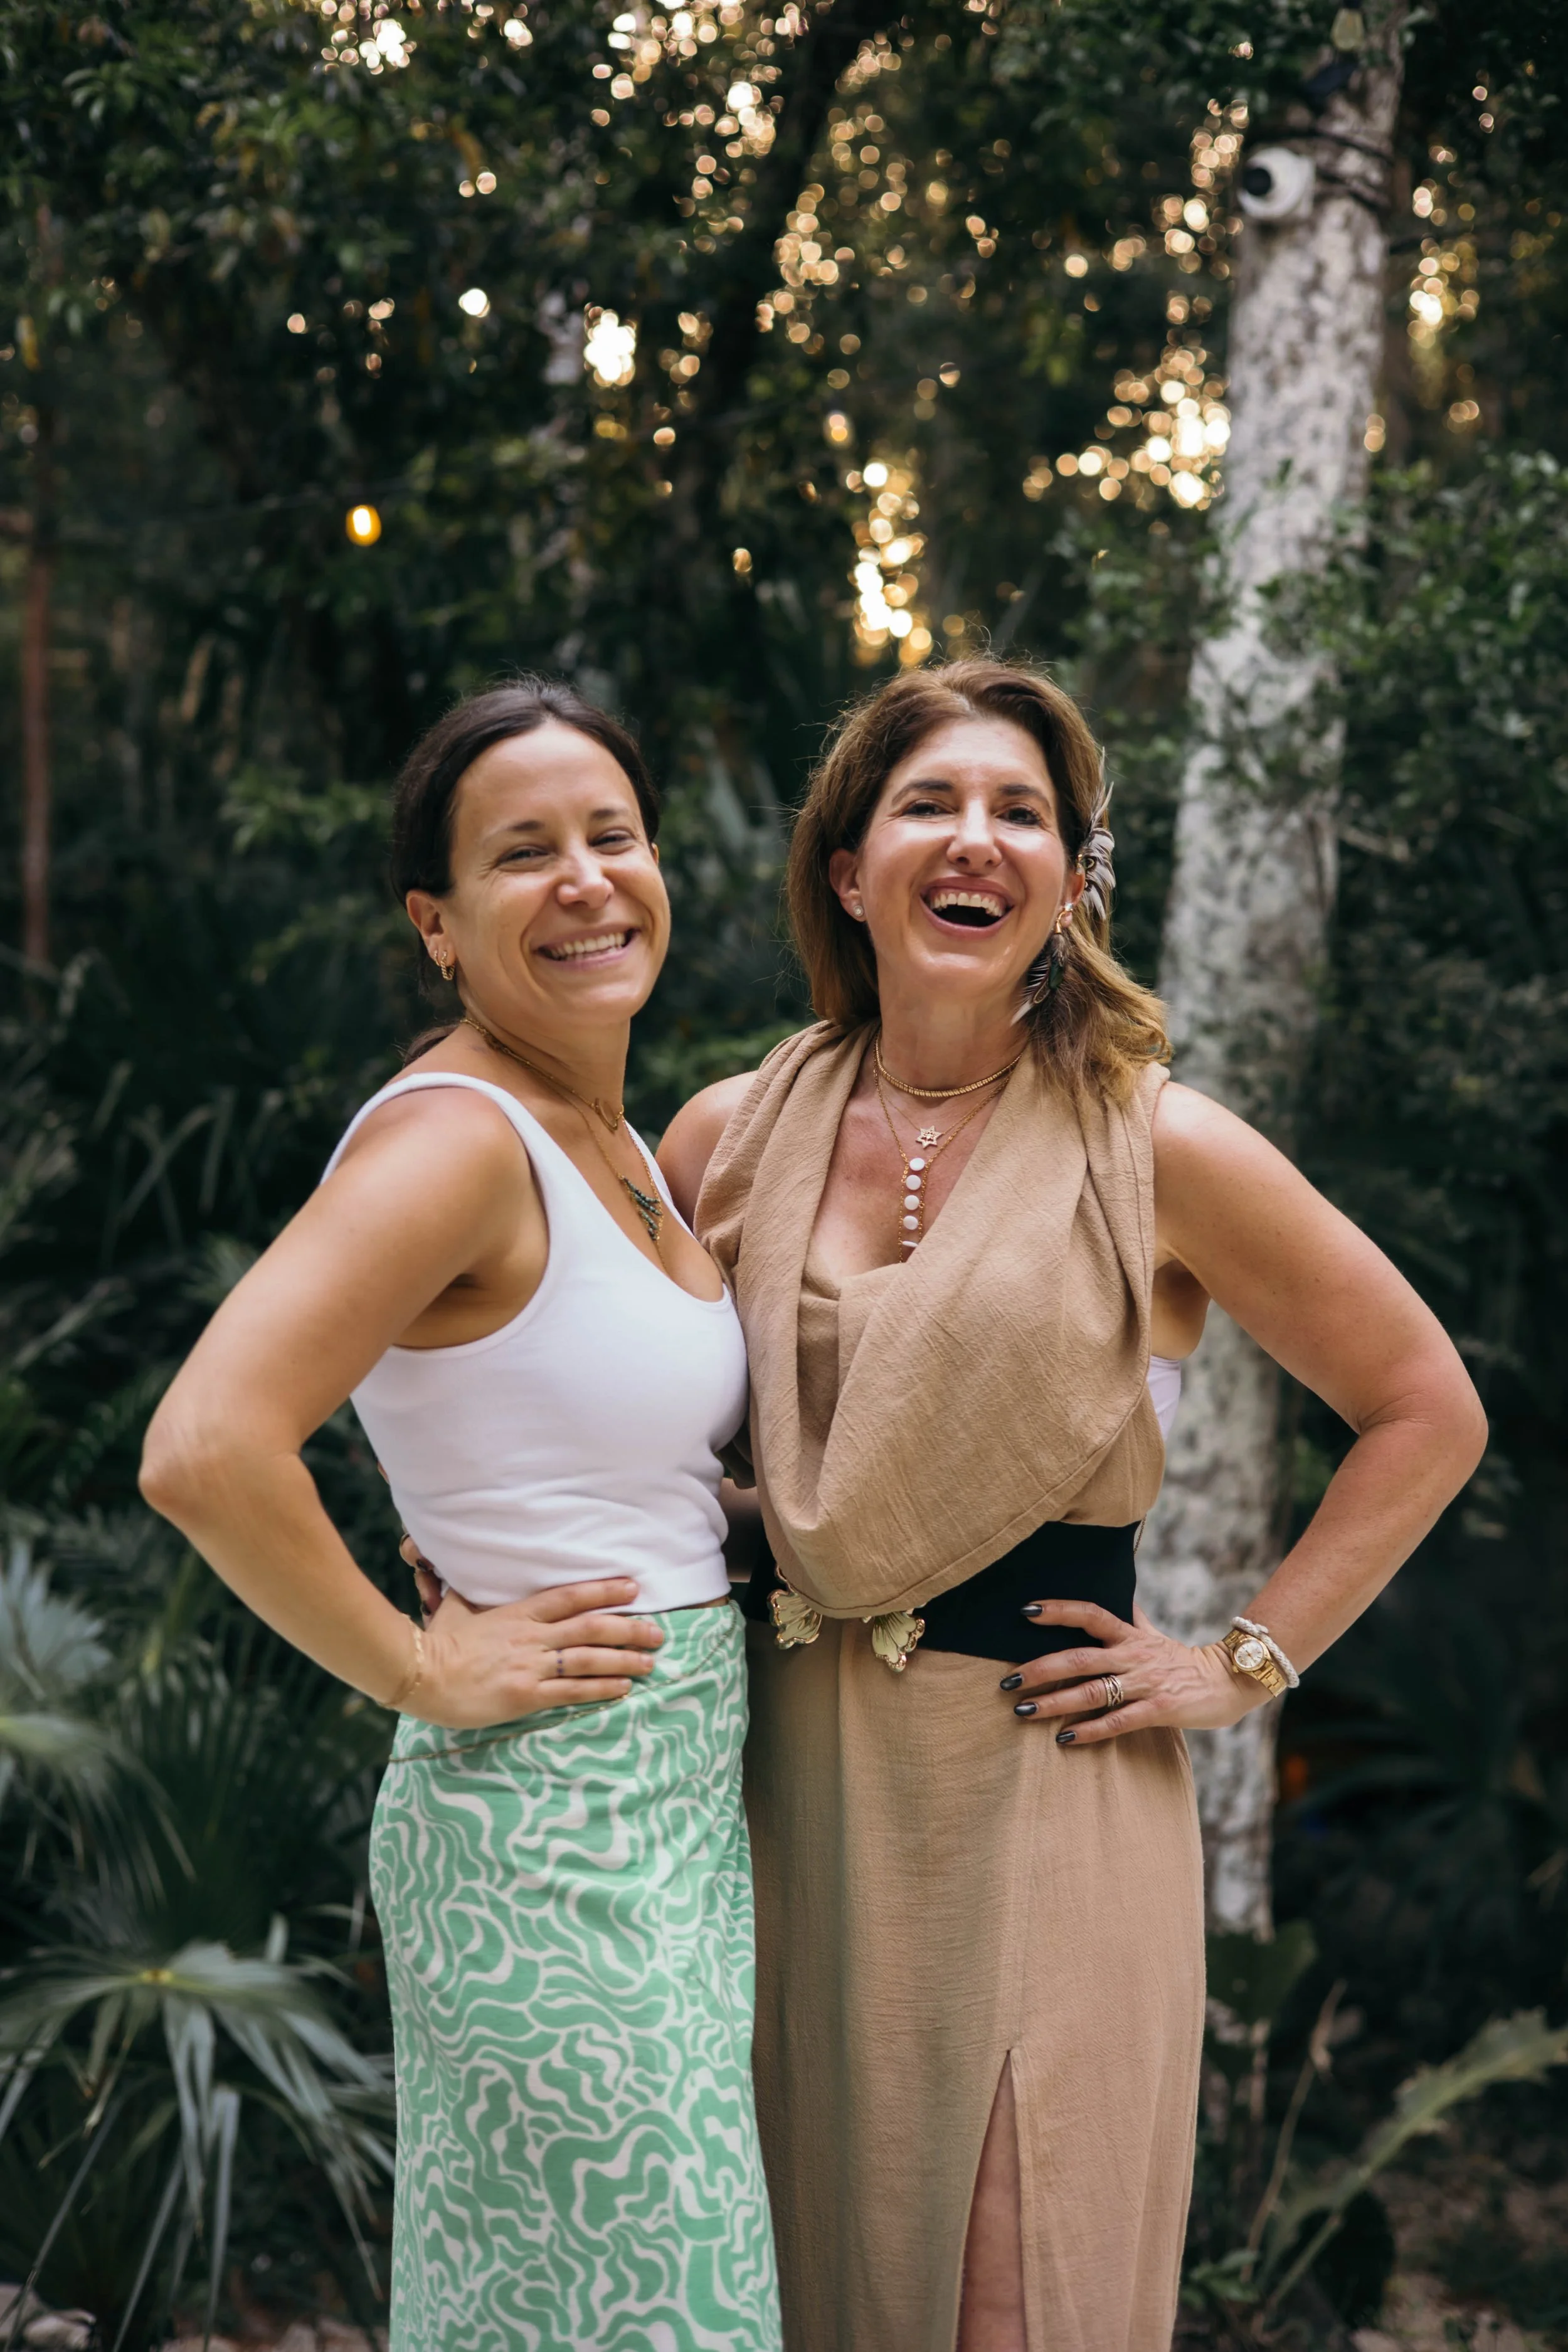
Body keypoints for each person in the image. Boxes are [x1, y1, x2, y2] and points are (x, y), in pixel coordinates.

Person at [657, 657, 1486, 2352]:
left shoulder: (1158, 1144)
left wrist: (1239, 1665)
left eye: (1021, 812)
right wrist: (473, 1548)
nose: (978, 838)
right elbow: (620, 1411)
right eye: (931, 803)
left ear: (1067, 876)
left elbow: (1424, 1407)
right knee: (803, 2283)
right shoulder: (725, 1139)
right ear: (848, 869)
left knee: (1007, 2304)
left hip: (1041, 1785)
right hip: (780, 1792)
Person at [139, 681, 782, 2352]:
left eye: (613, 835)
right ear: (435, 922)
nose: (585, 879)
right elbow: (204, 1446)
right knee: (666, 2313)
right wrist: (422, 1668)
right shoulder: (455, 1141)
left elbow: (600, 1462)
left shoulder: (610, 1136)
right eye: (521, 852)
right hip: (544, 1829)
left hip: (670, 1819)